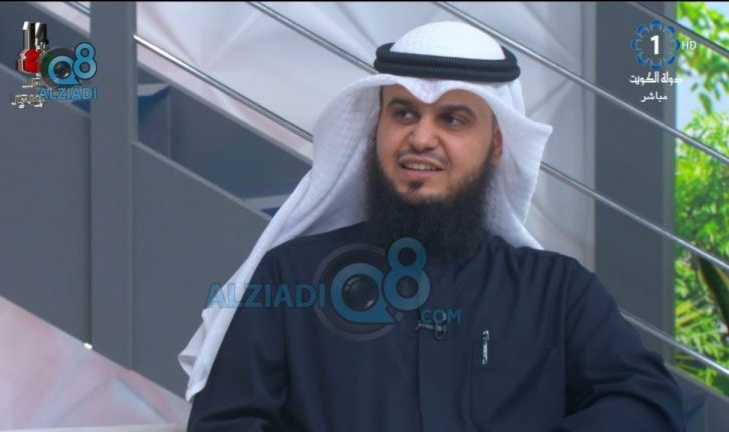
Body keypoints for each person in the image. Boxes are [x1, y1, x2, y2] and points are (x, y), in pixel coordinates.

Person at [181, 21, 685, 431]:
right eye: (404, 113)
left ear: (496, 146)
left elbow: (646, 404)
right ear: (377, 128)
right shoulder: (291, 277)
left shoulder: (557, 292)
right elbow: (227, 421)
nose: (421, 138)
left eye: (453, 119)